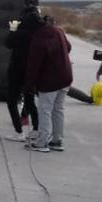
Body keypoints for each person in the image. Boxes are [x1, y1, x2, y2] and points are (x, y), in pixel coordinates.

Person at [22, 16, 73, 153]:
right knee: (58, 109)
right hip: (65, 76)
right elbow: (68, 47)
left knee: (44, 110)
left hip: (50, 80)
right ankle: (57, 140)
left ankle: (41, 143)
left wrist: (29, 86)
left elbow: (33, 65)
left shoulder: (38, 37)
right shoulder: (59, 31)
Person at [4, 1, 45, 142]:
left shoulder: (21, 31)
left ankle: (18, 131)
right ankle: (36, 129)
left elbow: (8, 43)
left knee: (11, 101)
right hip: (32, 71)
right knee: (30, 99)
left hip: (17, 69)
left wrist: (12, 30)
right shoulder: (40, 32)